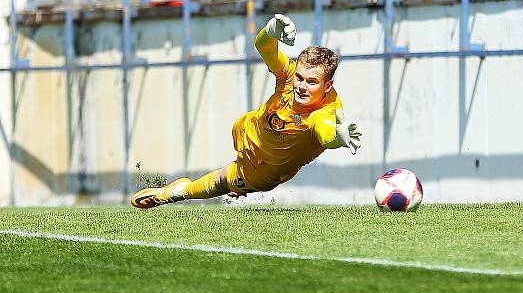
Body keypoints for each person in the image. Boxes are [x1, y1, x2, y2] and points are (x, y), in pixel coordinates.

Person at [130, 14, 363, 209]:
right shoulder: (289, 75)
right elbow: (264, 48)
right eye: (300, 78)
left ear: (328, 86)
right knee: (233, 171)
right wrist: (269, 33)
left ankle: (175, 192)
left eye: (311, 82)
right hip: (247, 129)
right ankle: (234, 186)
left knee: (222, 181)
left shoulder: (325, 111)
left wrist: (336, 138)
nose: (301, 86)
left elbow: (324, 131)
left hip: (262, 170)